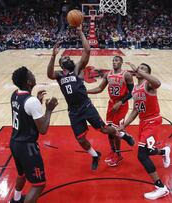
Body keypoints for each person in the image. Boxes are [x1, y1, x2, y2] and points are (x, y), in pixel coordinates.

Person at [47, 25, 134, 171]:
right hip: (73, 111)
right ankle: (95, 156)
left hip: (86, 107)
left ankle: (123, 135)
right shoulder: (59, 75)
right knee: (80, 139)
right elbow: (49, 74)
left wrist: (80, 32)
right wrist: (53, 55)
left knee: (105, 130)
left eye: (68, 57)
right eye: (64, 58)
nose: (67, 58)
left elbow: (87, 50)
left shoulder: (77, 70)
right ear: (61, 65)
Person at [119, 62, 170, 200]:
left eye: (143, 69)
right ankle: (164, 151)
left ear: (146, 73)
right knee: (147, 151)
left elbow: (158, 83)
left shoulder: (148, 84)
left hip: (153, 121)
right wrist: (125, 125)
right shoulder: (135, 89)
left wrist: (141, 72)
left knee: (141, 155)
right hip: (143, 122)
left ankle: (161, 188)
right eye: (139, 68)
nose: (139, 70)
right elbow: (135, 110)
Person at [10, 66, 58, 203]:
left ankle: (16, 199)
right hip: (27, 147)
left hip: (14, 142)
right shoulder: (31, 102)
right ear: (29, 81)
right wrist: (49, 110)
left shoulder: (15, 94)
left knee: (22, 174)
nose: (33, 75)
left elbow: (25, 112)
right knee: (39, 185)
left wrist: (37, 101)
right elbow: (43, 129)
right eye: (31, 74)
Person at [87, 56, 134, 167]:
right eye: (113, 61)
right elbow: (99, 88)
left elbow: (132, 92)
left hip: (121, 105)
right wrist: (86, 91)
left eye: (117, 60)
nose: (114, 62)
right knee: (108, 130)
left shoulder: (126, 75)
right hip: (111, 104)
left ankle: (118, 155)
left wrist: (121, 102)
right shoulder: (108, 74)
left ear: (121, 62)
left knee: (115, 130)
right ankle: (113, 150)